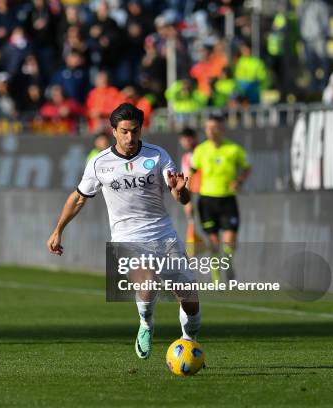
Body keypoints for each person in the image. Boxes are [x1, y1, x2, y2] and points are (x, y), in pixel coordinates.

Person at [47, 103, 201, 360]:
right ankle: (146, 322)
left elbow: (181, 198)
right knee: (148, 284)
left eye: (135, 131)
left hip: (164, 235)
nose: (130, 138)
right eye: (125, 132)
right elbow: (79, 198)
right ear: (114, 131)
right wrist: (58, 230)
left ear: (141, 129)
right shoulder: (99, 163)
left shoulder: (158, 155)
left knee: (190, 301)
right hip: (127, 238)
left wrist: (181, 189)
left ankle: (189, 344)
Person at [191, 115, 251, 283]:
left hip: (227, 199)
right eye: (207, 128)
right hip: (207, 200)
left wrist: (239, 181)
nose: (210, 131)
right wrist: (188, 199)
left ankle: (228, 262)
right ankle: (216, 276)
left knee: (230, 240)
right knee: (214, 241)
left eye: (214, 128)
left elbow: (247, 168)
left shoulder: (234, 149)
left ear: (222, 130)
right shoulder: (200, 150)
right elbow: (192, 173)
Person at [178, 127, 202, 255]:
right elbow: (186, 179)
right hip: (192, 195)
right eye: (182, 139)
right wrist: (187, 200)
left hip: (204, 194)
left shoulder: (202, 152)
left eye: (187, 139)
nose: (185, 142)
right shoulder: (186, 157)